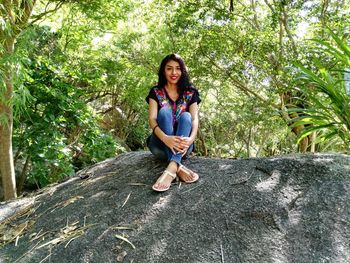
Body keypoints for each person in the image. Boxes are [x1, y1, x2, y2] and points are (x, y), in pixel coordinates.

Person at [146, 54, 201, 192]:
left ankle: (172, 167)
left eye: (178, 68)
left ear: (182, 71)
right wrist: (166, 139)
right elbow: (152, 120)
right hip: (160, 145)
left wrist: (191, 140)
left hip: (183, 147)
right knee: (164, 112)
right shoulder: (156, 91)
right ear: (163, 71)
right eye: (169, 68)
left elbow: (194, 120)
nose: (174, 72)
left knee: (187, 116)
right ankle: (177, 166)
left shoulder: (190, 92)